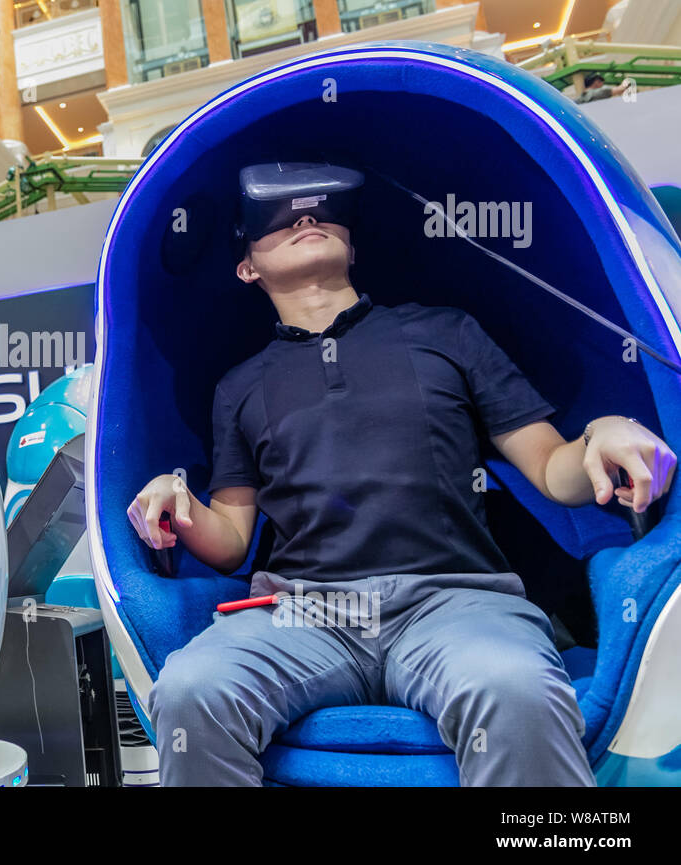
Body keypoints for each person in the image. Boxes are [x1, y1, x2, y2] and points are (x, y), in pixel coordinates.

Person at [129, 162, 676, 786]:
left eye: (322, 214)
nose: (306, 217)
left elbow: (552, 468)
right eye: (277, 221)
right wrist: (178, 501)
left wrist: (599, 434)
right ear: (247, 266)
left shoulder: (447, 332)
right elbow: (230, 541)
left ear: (352, 246)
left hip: (456, 602)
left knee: (516, 690)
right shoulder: (239, 386)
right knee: (190, 689)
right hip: (303, 613)